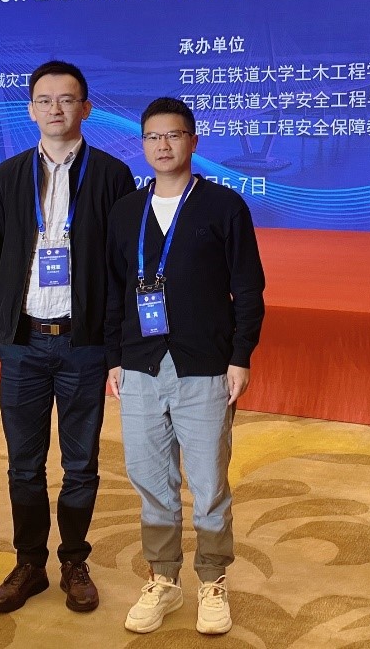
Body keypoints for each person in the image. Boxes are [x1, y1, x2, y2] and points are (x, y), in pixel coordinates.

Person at [105, 97, 266, 636]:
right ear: (142, 144)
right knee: (150, 478)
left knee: (209, 483)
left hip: (205, 365)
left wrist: (240, 355)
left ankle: (213, 580)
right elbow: (113, 293)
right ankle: (163, 579)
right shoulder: (126, 211)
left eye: (174, 135)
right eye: (153, 137)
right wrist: (114, 359)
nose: (163, 145)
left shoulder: (224, 206)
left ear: (193, 141)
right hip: (140, 366)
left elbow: (248, 289)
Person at [0, 61, 134, 614]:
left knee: (80, 464)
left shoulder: (112, 175)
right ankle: (29, 563)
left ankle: (73, 561)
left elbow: (121, 267)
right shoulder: (8, 175)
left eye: (67, 99)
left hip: (83, 343)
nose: (55, 108)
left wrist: (114, 345)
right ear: (30, 110)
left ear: (86, 108)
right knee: (23, 465)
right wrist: (1, 330)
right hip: (23, 344)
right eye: (44, 100)